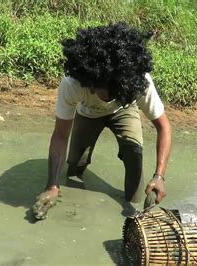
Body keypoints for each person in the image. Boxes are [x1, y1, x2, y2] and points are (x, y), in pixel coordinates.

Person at [33, 22, 171, 220]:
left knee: (134, 155)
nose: (107, 97)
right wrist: (51, 186)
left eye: (114, 92)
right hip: (88, 113)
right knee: (74, 167)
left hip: (125, 109)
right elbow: (61, 136)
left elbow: (164, 127)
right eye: (103, 90)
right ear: (91, 79)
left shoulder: (138, 83)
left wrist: (159, 176)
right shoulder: (73, 84)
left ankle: (133, 209)